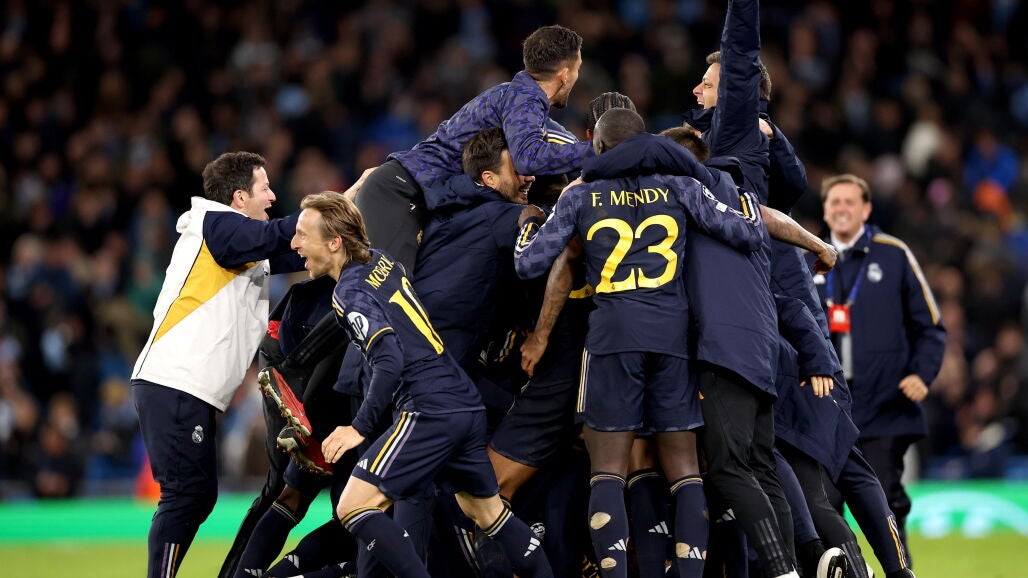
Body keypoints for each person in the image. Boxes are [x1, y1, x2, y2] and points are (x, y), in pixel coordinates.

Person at [514, 107, 766, 578]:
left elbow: (529, 262)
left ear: (599, 148)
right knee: (685, 468)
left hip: (611, 338)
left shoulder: (579, 194)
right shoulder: (680, 186)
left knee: (608, 469)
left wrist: (529, 221)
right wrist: (747, 198)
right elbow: (747, 232)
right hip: (672, 338)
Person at [288, 192, 554, 578]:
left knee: (353, 506)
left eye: (302, 235)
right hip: (462, 400)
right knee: (486, 512)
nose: (294, 244)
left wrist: (359, 426)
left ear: (334, 243)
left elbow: (388, 358)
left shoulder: (348, 293)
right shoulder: (380, 260)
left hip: (427, 408)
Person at [130, 152, 304, 578]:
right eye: (264, 187)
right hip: (176, 380)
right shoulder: (216, 223)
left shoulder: (239, 243)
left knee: (198, 494)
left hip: (186, 385)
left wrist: (352, 210)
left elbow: (301, 249)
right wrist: (330, 210)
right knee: (185, 495)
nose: (273, 196)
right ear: (239, 197)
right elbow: (282, 233)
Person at [354, 24, 593, 270]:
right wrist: (599, 150)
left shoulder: (518, 98)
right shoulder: (524, 97)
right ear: (565, 74)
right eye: (578, 69)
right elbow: (529, 158)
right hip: (400, 192)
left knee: (393, 288)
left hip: (409, 194)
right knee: (383, 288)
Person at [810, 174, 946, 562]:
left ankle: (899, 570)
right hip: (827, 407)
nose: (841, 209)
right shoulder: (806, 256)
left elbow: (931, 327)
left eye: (849, 202)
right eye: (834, 202)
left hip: (885, 405)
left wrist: (921, 374)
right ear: (825, 210)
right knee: (823, 505)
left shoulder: (894, 254)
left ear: (866, 209)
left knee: (885, 500)